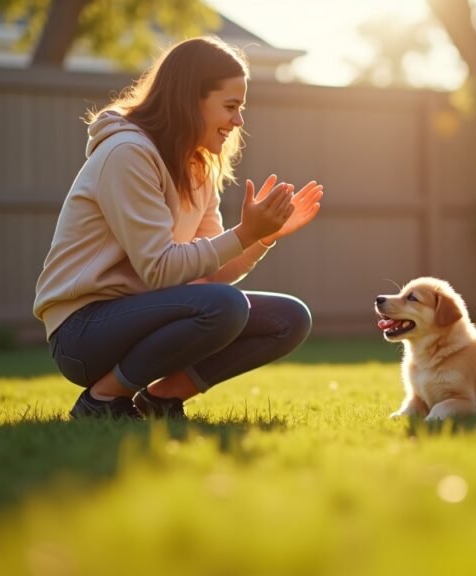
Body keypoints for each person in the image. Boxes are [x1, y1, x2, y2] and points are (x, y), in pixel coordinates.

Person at [33, 36, 323, 419]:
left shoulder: (198, 167)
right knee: (227, 307)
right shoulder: (127, 155)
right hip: (83, 331)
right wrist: (244, 234)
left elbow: (211, 276)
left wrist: (262, 237)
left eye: (241, 108)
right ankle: (102, 400)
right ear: (190, 100)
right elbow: (161, 268)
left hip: (142, 317)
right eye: (230, 107)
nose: (238, 121)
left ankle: (162, 399)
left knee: (289, 319)